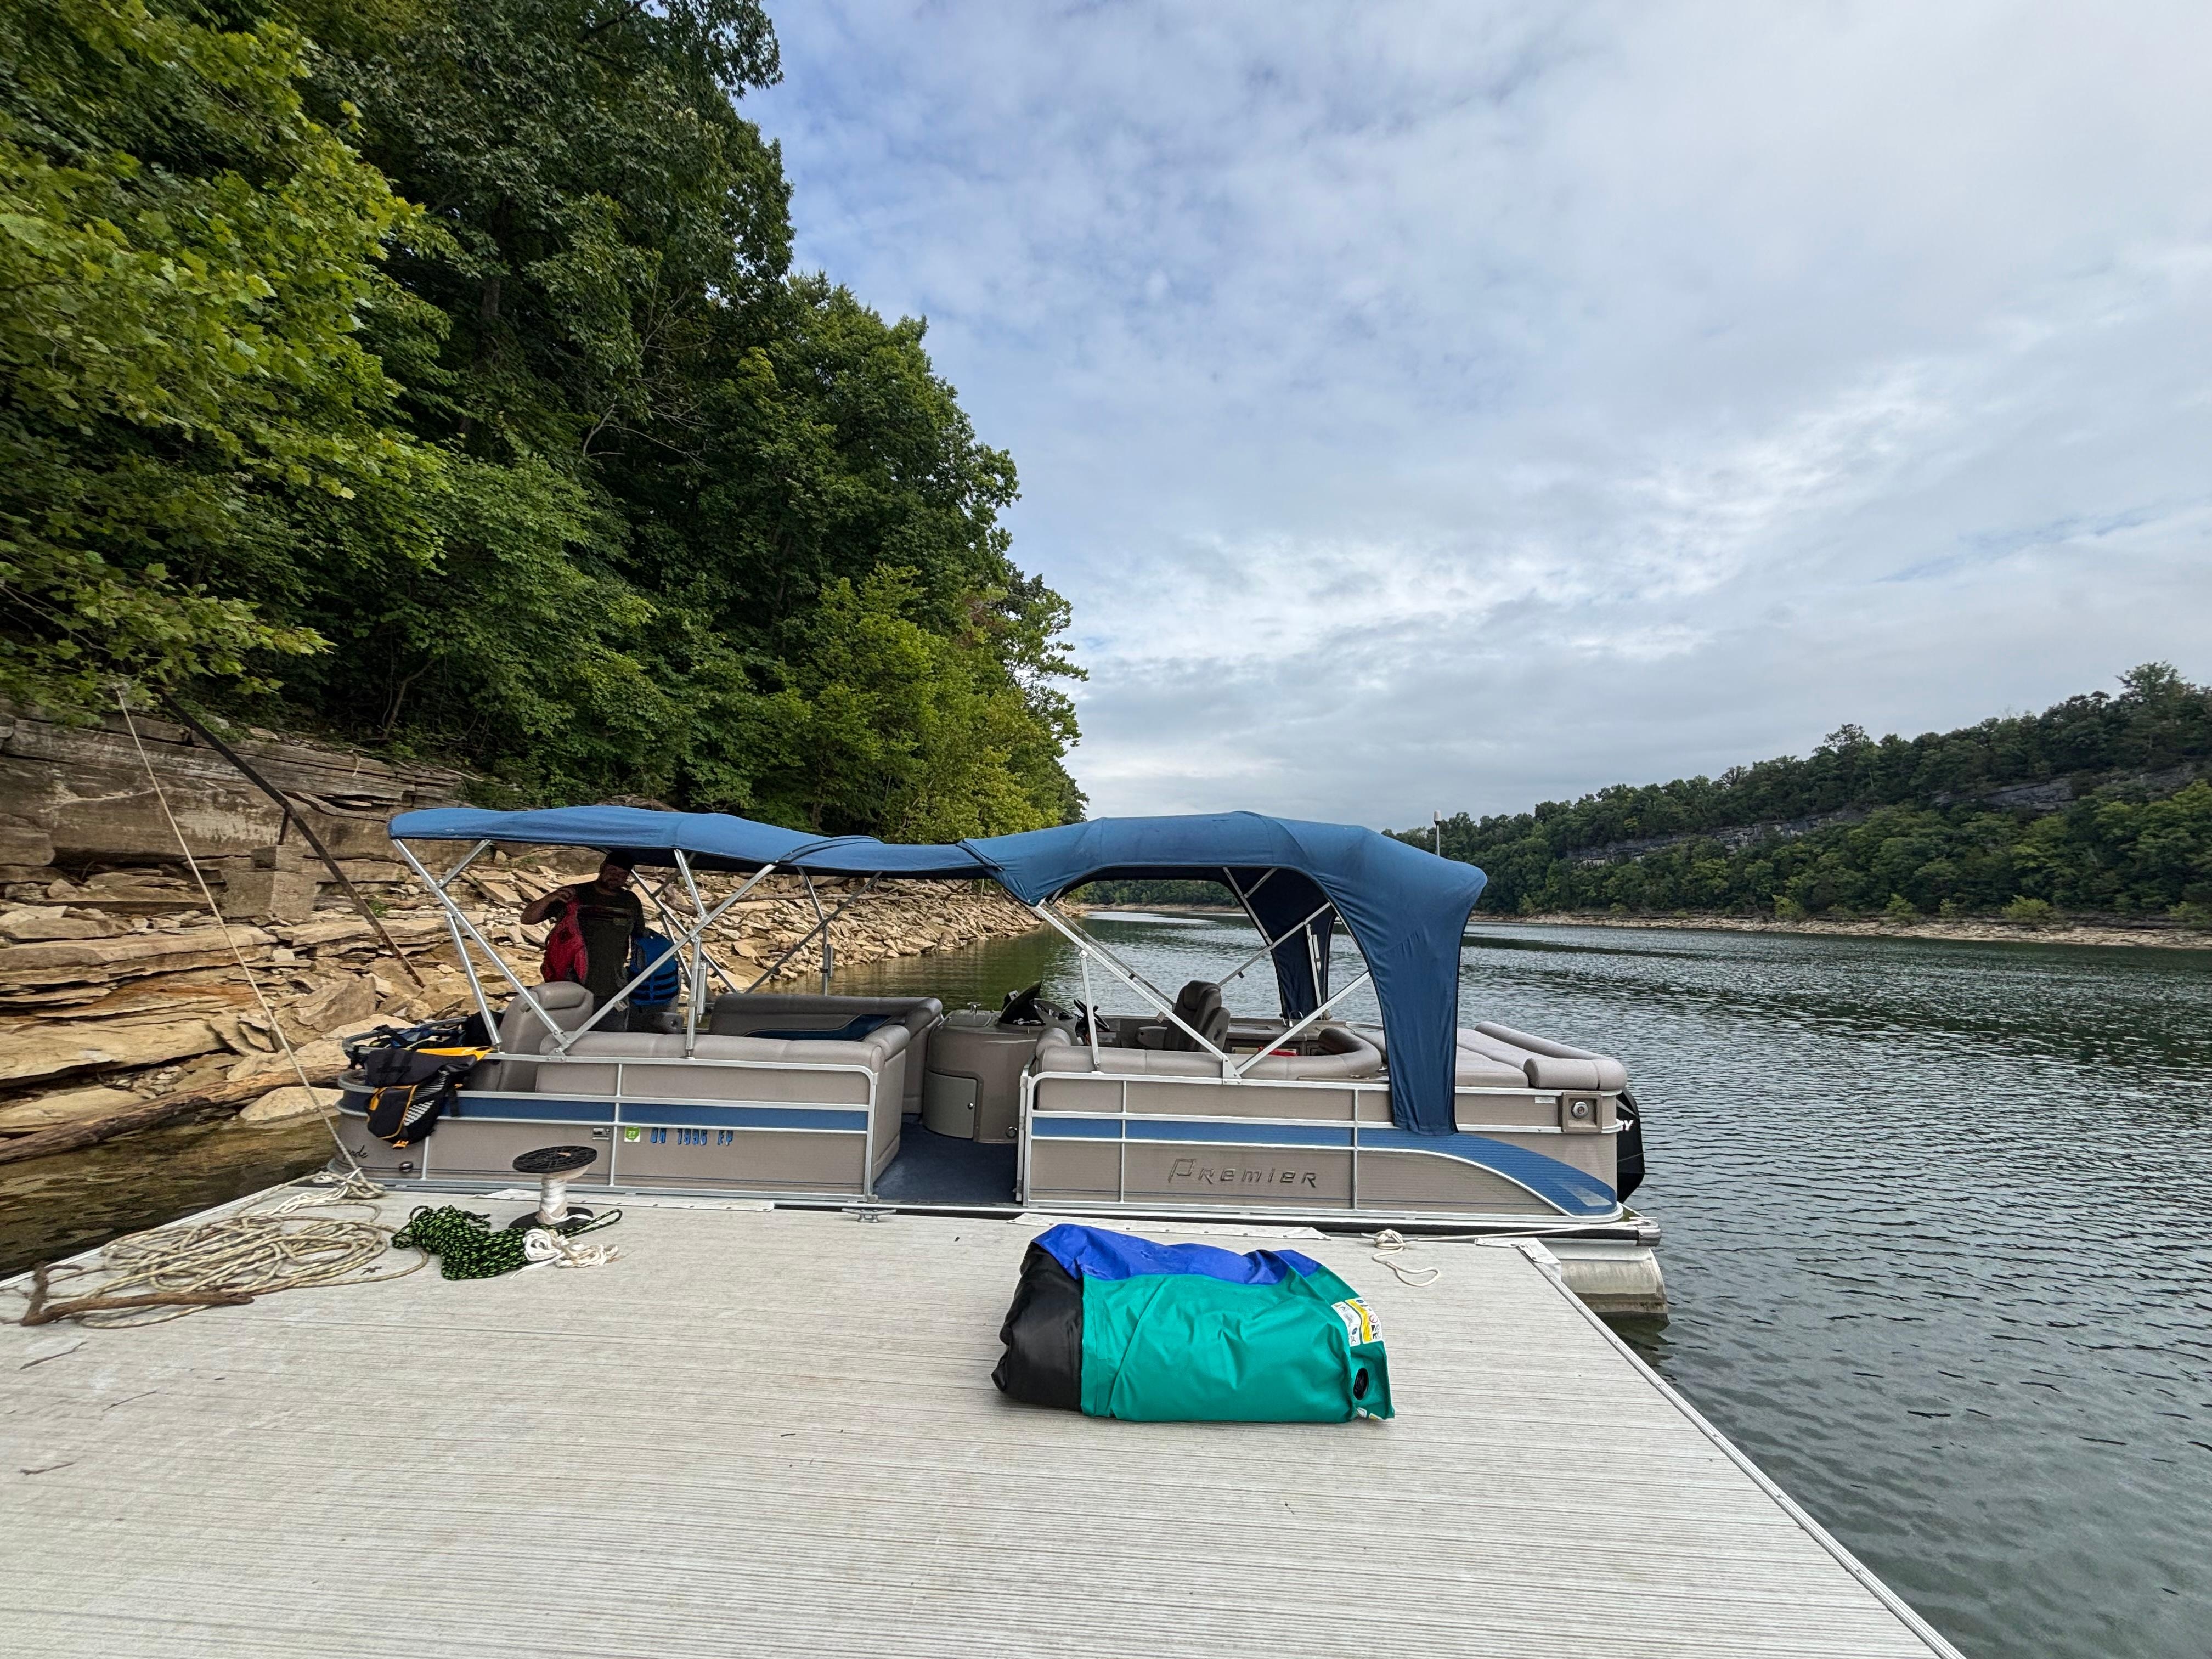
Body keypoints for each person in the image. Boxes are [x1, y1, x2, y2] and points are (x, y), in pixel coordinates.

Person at [522, 854, 645, 1016]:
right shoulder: (575, 894)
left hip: (613, 986)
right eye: (612, 870)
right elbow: (527, 919)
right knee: (567, 1030)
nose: (616, 876)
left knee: (610, 1030)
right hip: (569, 984)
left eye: (622, 874)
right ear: (602, 868)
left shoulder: (631, 901)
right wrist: (549, 899)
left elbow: (640, 937)